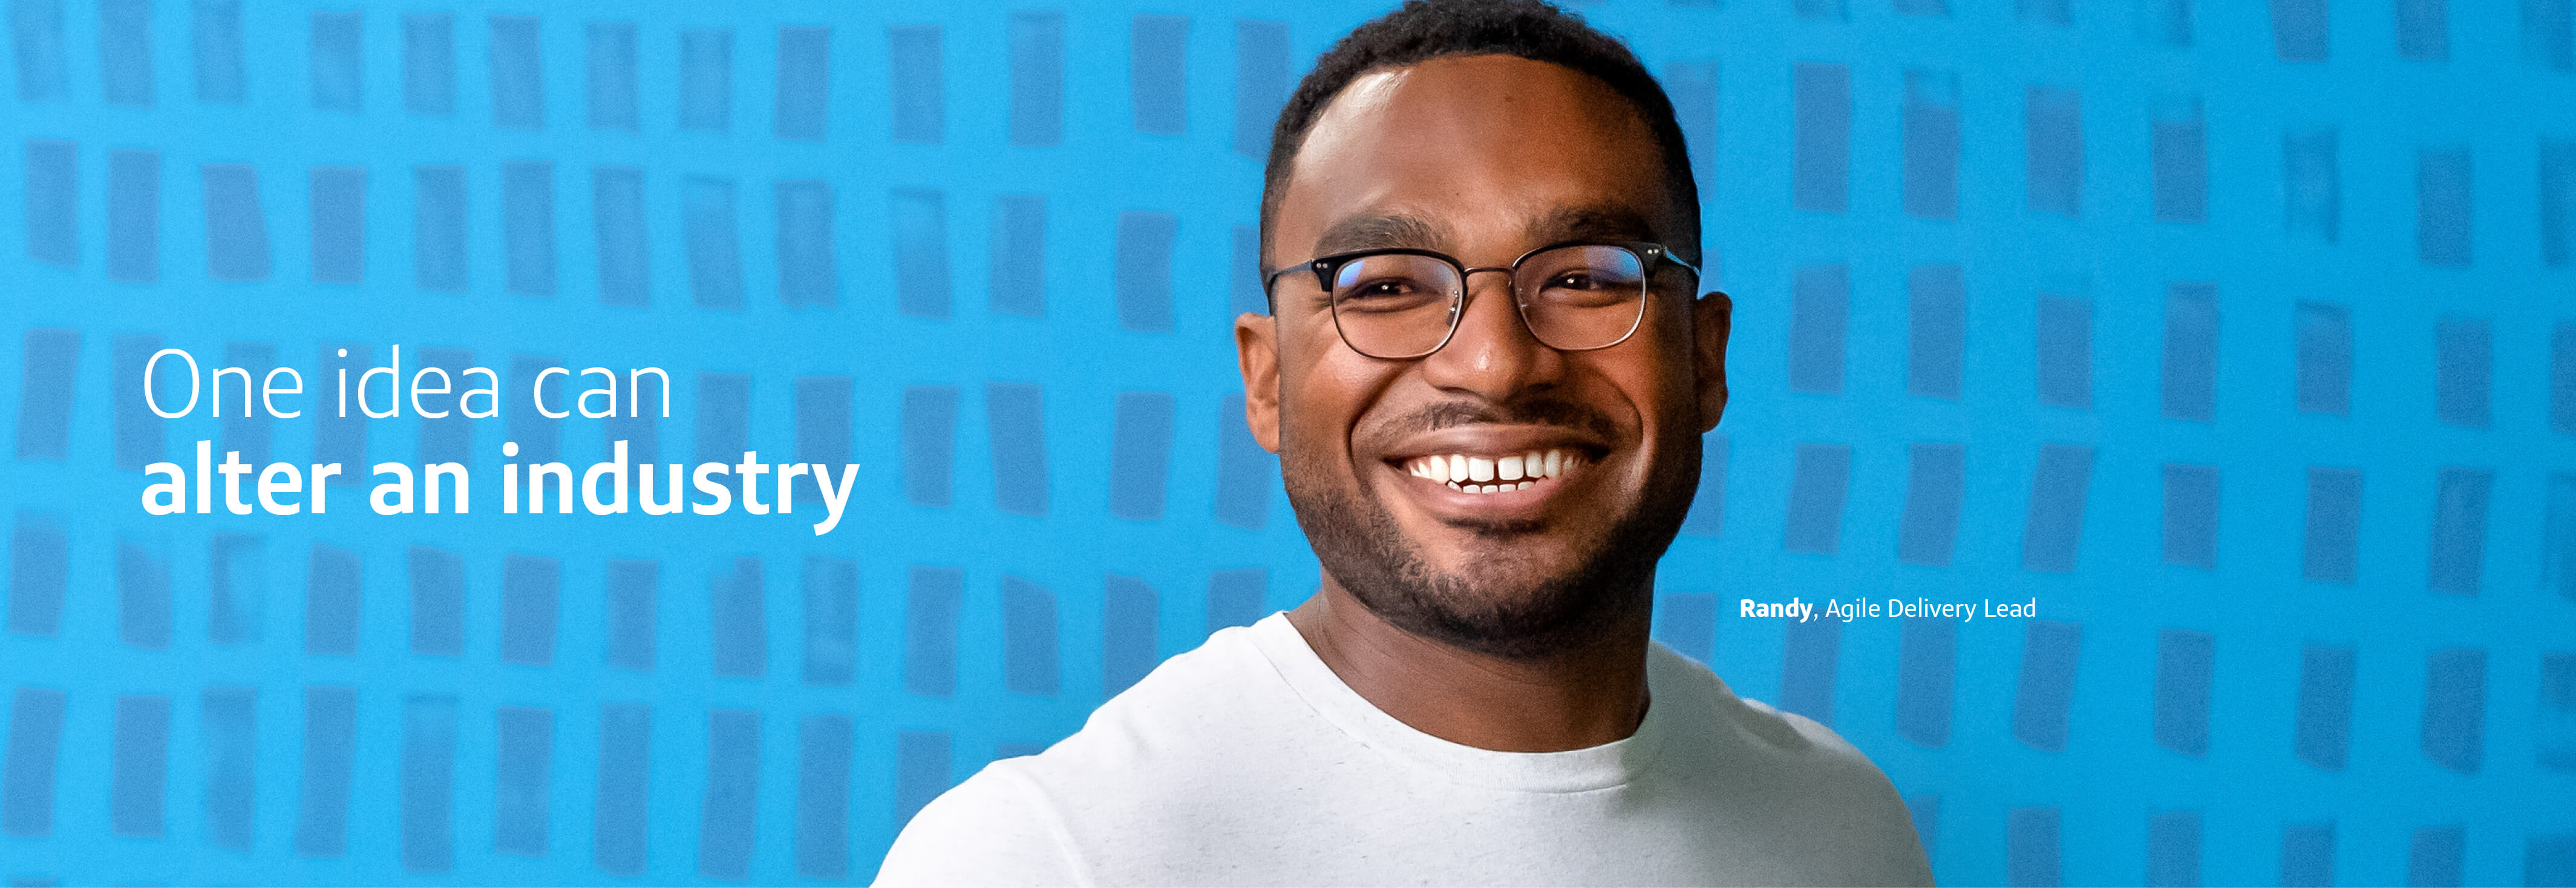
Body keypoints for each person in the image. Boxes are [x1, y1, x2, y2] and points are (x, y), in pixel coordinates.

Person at [875, 1, 1933, 884]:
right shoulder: (1044, 857)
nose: (1495, 362)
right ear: (1269, 379)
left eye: (1580, 277)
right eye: (1381, 286)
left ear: (1703, 360)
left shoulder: (1842, 827)